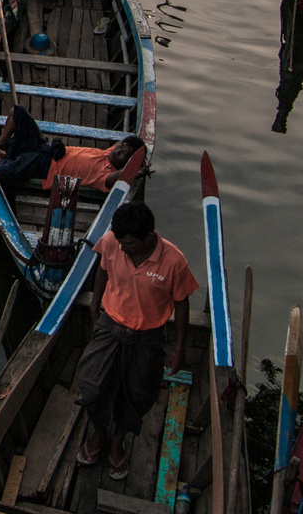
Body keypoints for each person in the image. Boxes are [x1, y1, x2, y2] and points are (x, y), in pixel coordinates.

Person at [74, 202, 199, 481]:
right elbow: (103, 269)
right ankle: (99, 433)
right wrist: (95, 302)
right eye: (120, 241)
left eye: (129, 243)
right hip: (110, 323)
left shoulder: (174, 261)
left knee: (139, 392)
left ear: (148, 236)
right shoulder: (111, 242)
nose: (123, 248)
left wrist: (179, 349)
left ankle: (117, 441)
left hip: (148, 334)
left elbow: (181, 304)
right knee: (91, 384)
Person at [0, 104, 64, 187]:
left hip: (44, 164)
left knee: (5, 172)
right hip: (44, 147)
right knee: (18, 111)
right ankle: (1, 142)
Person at [43, 135, 145, 192]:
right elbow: (127, 139)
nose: (119, 150)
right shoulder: (108, 153)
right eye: (121, 146)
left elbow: (123, 173)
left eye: (125, 153)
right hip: (48, 150)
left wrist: (136, 168)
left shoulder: (105, 175)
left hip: (45, 169)